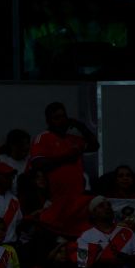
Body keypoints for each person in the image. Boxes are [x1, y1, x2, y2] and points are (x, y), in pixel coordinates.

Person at [28, 101, 99, 238]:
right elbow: (38, 163)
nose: (61, 121)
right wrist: (66, 158)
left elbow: (94, 145)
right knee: (57, 238)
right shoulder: (43, 137)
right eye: (57, 117)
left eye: (63, 116)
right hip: (55, 200)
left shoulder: (73, 139)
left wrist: (80, 126)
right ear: (49, 121)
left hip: (77, 199)